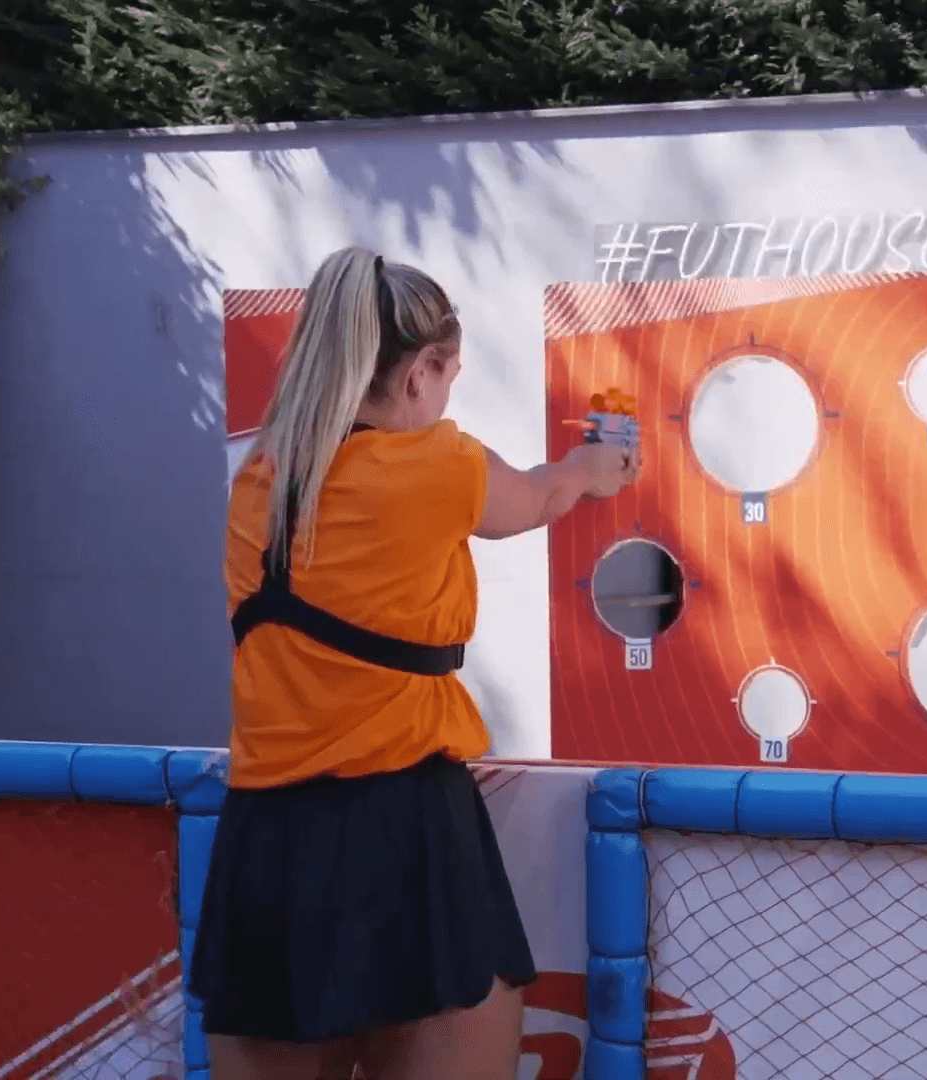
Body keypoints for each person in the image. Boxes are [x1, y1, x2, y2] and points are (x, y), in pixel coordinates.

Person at [189, 247, 639, 1080]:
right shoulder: (437, 465)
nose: (446, 396)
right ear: (419, 371)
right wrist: (591, 469)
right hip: (407, 831)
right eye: (450, 375)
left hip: (268, 847)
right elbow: (538, 496)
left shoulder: (260, 481)